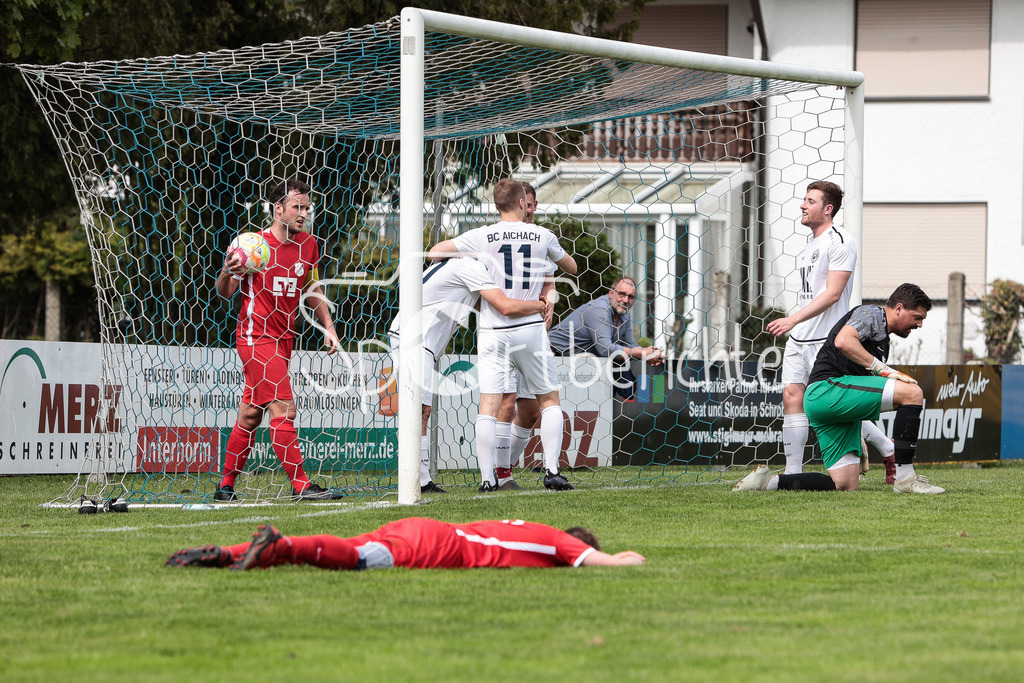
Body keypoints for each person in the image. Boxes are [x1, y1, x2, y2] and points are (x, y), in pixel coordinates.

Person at [428, 179, 577, 492]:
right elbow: (572, 267)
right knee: (549, 400)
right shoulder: (542, 235)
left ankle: (487, 480)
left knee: (489, 405)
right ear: (523, 203)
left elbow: (435, 253)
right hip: (531, 328)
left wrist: (472, 266)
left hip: (494, 330)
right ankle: (551, 471)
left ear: (497, 206)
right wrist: (551, 264)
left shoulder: (482, 236)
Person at [733, 283, 945, 494]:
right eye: (917, 317)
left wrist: (858, 428)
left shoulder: (883, 342)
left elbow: (859, 387)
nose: (919, 325)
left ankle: (767, 483)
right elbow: (843, 341)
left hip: (830, 404)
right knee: (912, 392)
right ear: (898, 308)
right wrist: (883, 369)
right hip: (826, 390)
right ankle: (906, 478)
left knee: (845, 484)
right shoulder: (871, 314)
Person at [213, 179, 342, 502]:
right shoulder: (252, 246)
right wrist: (228, 272)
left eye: (307, 208)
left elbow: (312, 289)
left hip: (286, 339)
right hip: (255, 337)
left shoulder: (308, 244)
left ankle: (225, 486)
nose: (303, 213)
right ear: (278, 209)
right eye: (297, 207)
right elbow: (226, 292)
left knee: (250, 415)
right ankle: (301, 486)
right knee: (284, 408)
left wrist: (328, 326)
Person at [764, 181, 896, 481]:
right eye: (804, 200)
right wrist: (796, 323)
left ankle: (886, 446)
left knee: (826, 402)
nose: (802, 205)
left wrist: (792, 319)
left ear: (828, 208)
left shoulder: (841, 241)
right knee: (791, 396)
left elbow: (834, 293)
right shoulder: (811, 243)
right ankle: (793, 472)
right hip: (799, 337)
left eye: (810, 201)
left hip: (825, 340)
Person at [382, 255, 548, 494]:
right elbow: (504, 306)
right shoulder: (471, 267)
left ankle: (422, 479)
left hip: (417, 340)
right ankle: (419, 481)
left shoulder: (459, 266)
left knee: (421, 411)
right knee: (418, 411)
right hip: (415, 340)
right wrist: (540, 305)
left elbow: (488, 306)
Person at [165, 518, 646, 570]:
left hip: (424, 525)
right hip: (441, 548)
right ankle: (284, 543)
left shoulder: (524, 525)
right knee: (353, 559)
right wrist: (631, 557)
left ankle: (225, 554)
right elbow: (613, 560)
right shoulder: (560, 543)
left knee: (342, 543)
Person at [548, 277, 664, 399]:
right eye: (622, 294)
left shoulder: (624, 314)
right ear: (611, 293)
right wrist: (641, 353)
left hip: (574, 365)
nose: (625, 300)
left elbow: (630, 344)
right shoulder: (599, 310)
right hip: (550, 356)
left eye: (631, 297)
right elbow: (606, 349)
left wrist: (650, 353)